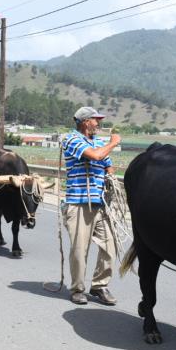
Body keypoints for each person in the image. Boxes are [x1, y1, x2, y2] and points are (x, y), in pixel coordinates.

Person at [61, 106, 121, 306]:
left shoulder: (98, 142)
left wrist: (111, 179)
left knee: (109, 247)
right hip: (79, 203)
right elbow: (96, 156)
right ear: (86, 122)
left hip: (100, 203)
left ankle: (99, 285)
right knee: (79, 249)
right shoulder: (71, 139)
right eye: (96, 120)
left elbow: (107, 165)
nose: (99, 123)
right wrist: (113, 143)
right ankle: (78, 289)